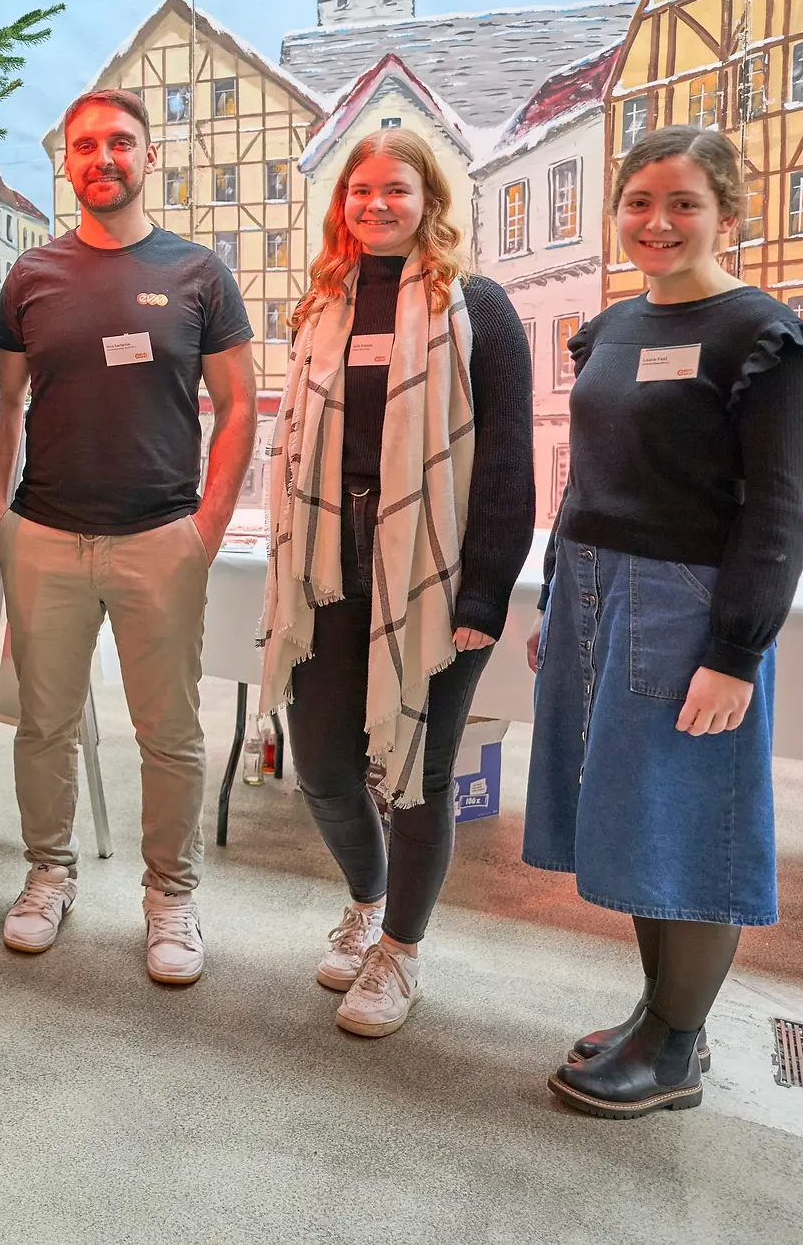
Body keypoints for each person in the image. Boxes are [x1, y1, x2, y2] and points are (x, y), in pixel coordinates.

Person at [523, 125, 803, 1118]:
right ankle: (661, 1014)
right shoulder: (611, 328)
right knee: (636, 813)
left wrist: (735, 652)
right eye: (639, 201)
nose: (657, 222)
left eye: (684, 203)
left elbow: (778, 514)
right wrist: (556, 599)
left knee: (691, 816)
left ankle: (672, 1048)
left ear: (727, 215)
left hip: (690, 604)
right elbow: (587, 481)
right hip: (597, 589)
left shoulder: (765, 338)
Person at [256, 131, 534, 1038]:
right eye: (361, 190)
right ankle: (368, 901)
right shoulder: (323, 305)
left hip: (432, 569)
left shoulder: (479, 306)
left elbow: (508, 462)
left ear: (429, 200)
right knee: (322, 767)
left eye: (396, 189)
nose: (376, 205)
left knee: (420, 773)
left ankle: (401, 952)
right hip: (327, 564)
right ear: (342, 203)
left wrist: (484, 594)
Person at [0, 89, 255, 984]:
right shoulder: (32, 276)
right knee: (45, 726)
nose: (104, 157)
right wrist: (0, 516)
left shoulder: (198, 273)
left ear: (148, 155)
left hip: (159, 537)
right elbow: (4, 403)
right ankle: (47, 874)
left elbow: (240, 405)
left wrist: (206, 528)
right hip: (45, 535)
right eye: (87, 144)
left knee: (168, 731)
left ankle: (171, 896)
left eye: (122, 142)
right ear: (67, 160)